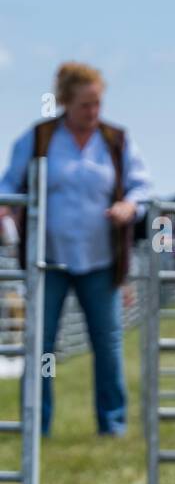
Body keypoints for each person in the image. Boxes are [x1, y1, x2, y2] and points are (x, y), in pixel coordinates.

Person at [0, 61, 151, 437]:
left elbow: (143, 187)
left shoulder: (116, 140)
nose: (93, 112)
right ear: (65, 101)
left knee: (108, 345)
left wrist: (130, 206)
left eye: (98, 103)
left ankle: (112, 424)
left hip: (101, 261)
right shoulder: (39, 139)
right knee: (44, 349)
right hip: (47, 261)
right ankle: (38, 424)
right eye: (85, 104)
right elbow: (9, 185)